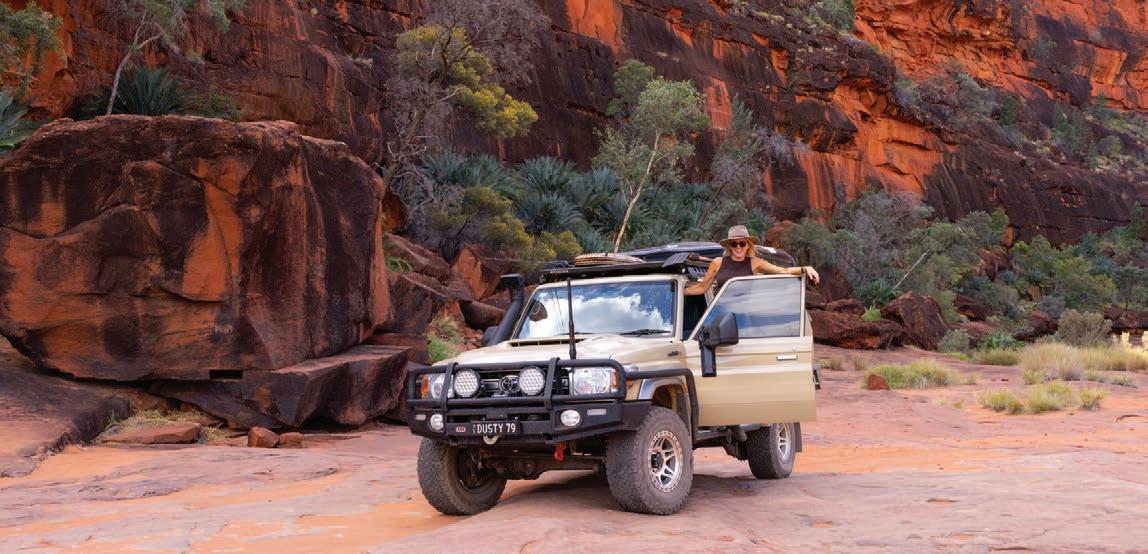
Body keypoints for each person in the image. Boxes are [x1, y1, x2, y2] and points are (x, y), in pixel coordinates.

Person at [684, 225, 820, 296]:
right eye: (734, 244)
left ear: (748, 245)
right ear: (729, 246)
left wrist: (805, 268)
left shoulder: (755, 263)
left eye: (742, 243)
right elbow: (702, 288)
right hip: (720, 311)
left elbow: (784, 271)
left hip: (744, 312)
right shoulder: (718, 263)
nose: (738, 247)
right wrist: (680, 293)